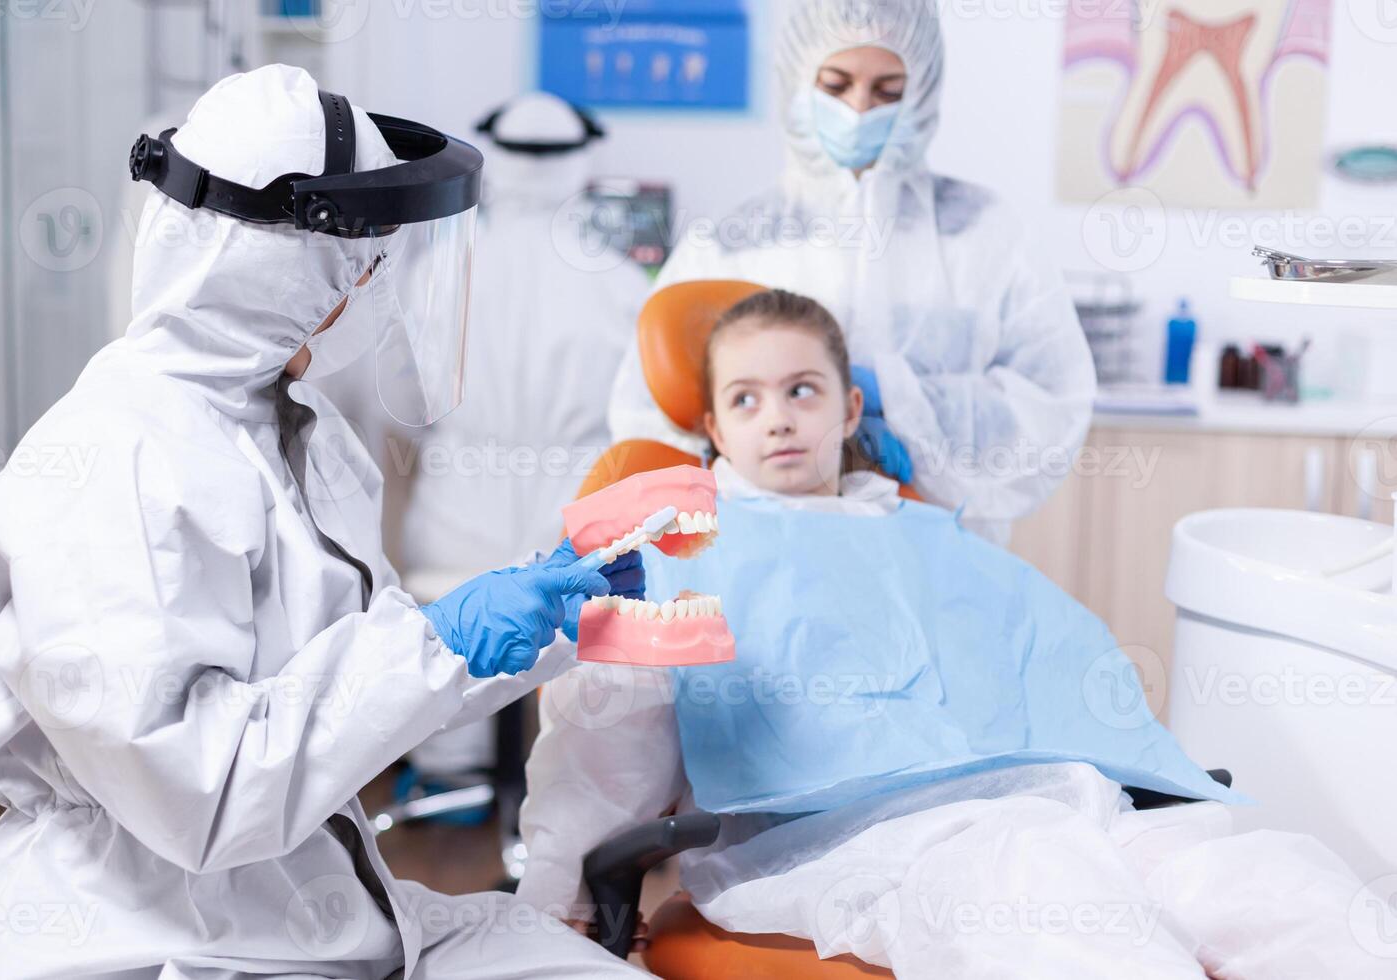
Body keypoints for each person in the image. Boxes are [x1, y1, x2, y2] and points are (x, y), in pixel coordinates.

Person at [0, 65, 648, 979]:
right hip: (150, 939)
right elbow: (204, 791)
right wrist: (439, 642)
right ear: (280, 269)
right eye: (367, 265)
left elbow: (364, 679)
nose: (379, 292)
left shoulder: (295, 430)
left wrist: (546, 622)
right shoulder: (119, 459)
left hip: (303, 904)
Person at [519, 289, 1389, 977]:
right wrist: (560, 898)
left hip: (1058, 801)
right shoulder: (684, 555)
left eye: (802, 390)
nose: (778, 417)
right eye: (746, 399)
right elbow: (606, 737)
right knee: (1057, 905)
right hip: (846, 843)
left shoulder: (925, 534)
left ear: (850, 408)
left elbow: (1047, 669)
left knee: (1280, 885)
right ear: (712, 429)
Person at [607, 0, 1098, 545]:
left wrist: (903, 402)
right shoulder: (729, 245)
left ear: (924, 91)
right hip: (768, 559)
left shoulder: (984, 235)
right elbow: (650, 418)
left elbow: (1052, 409)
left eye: (887, 91)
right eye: (836, 85)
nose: (860, 109)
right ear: (798, 80)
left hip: (939, 559)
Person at [386, 93, 652, 788]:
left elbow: (402, 405)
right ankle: (559, 792)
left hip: (456, 507)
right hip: (569, 514)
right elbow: (640, 416)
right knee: (572, 670)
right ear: (582, 161)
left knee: (453, 660)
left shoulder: (435, 269)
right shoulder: (621, 280)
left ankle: (456, 784)